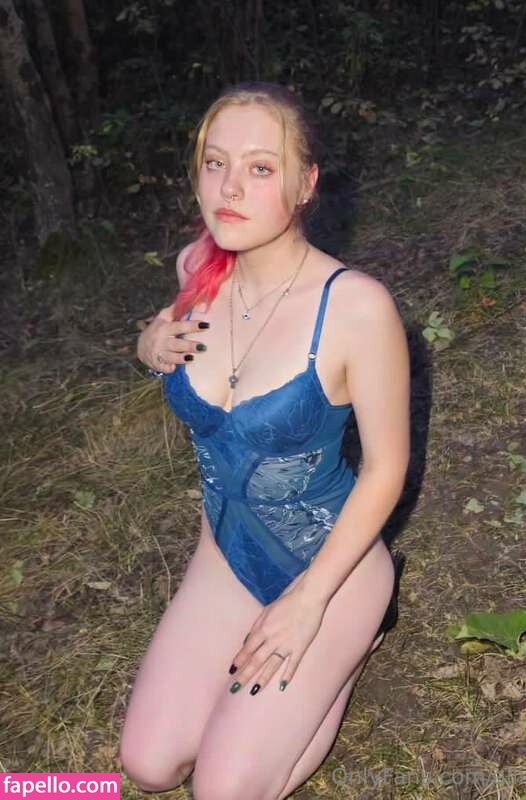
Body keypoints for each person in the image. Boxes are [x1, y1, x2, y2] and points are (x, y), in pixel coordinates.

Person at [119, 81, 410, 800]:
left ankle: (353, 641)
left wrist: (308, 604)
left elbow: (387, 467)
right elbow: (165, 333)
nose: (230, 188)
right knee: (148, 766)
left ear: (305, 184)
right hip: (225, 554)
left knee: (221, 791)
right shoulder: (197, 270)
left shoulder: (356, 308)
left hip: (333, 571)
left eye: (260, 168)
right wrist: (148, 342)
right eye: (215, 163)